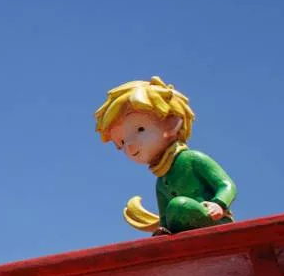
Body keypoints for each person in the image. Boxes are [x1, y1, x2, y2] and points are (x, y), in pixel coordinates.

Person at [94, 76, 236, 235]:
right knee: (175, 207)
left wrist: (219, 204)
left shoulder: (192, 159)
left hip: (214, 220)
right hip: (184, 229)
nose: (130, 146)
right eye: (122, 142)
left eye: (140, 129)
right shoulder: (162, 180)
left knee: (179, 205)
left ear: (172, 123)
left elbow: (226, 184)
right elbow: (164, 215)